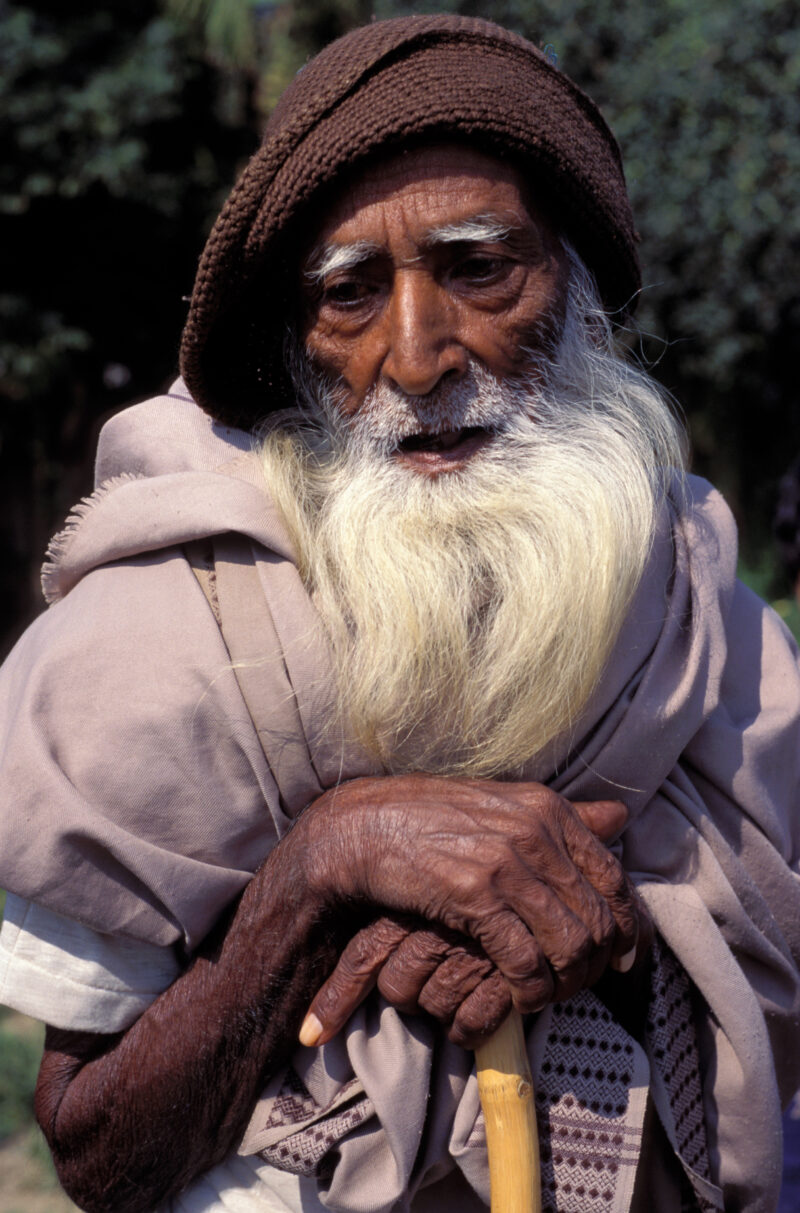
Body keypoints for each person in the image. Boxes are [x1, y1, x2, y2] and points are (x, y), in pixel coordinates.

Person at [1, 15, 798, 1213]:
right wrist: (329, 864)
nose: (417, 356)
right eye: (348, 295)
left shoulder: (716, 634)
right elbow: (99, 1154)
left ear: (578, 300)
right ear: (295, 352)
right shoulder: (164, 642)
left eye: (478, 267)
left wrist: (594, 917)